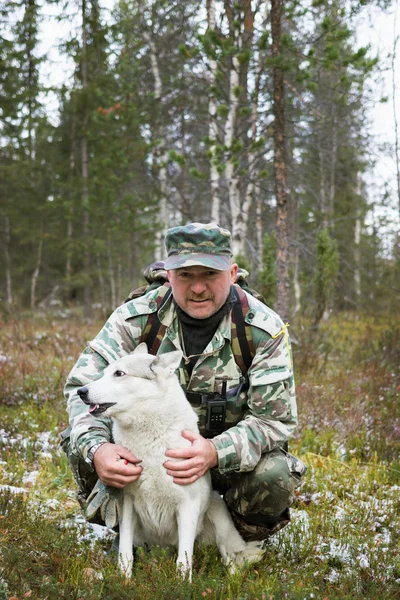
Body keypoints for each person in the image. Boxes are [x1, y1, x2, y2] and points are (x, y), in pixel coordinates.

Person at [62, 222, 306, 541]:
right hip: (147, 456)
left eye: (209, 275)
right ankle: (138, 536)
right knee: (80, 441)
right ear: (169, 273)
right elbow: (80, 389)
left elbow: (275, 421)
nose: (198, 288)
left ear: (232, 273)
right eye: (186, 275)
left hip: (225, 466)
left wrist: (214, 451)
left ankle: (230, 539)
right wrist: (99, 450)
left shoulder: (261, 329)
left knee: (274, 473)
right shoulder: (134, 320)